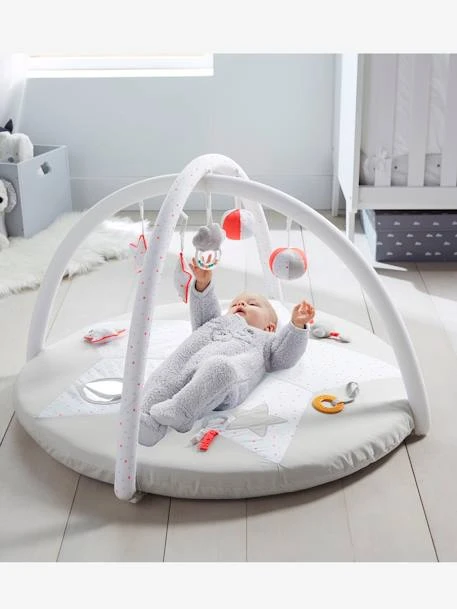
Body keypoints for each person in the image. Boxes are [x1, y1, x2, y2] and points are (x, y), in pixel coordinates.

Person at [139, 258, 315, 446]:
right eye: (236, 303)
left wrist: (296, 326)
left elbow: (286, 356)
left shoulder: (267, 340)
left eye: (252, 304)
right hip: (186, 365)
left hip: (224, 383)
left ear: (270, 327)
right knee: (166, 376)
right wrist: (203, 284)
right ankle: (146, 423)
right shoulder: (216, 322)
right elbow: (204, 310)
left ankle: (182, 411)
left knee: (220, 368)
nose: (242, 304)